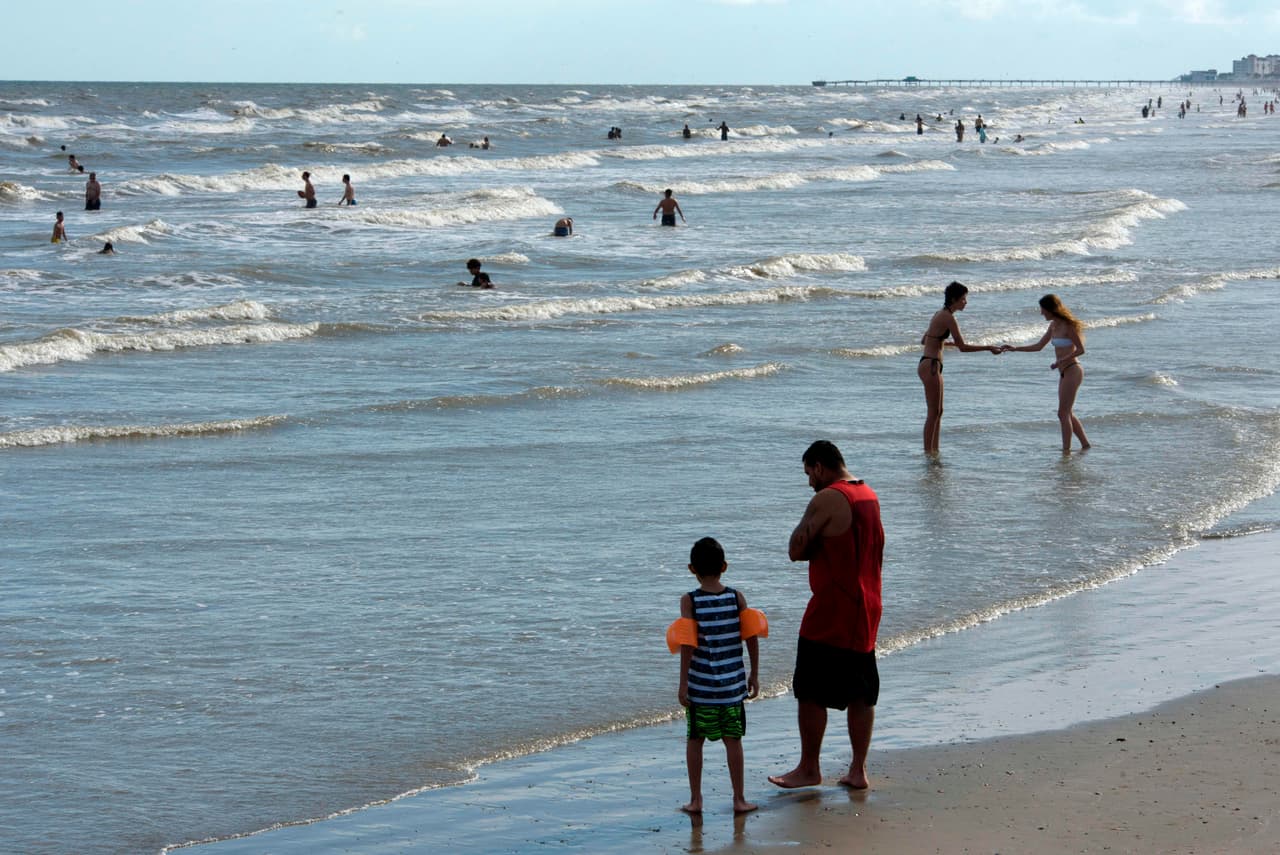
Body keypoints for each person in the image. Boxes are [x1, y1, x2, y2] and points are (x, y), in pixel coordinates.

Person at [768, 440, 884, 791]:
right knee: (861, 693)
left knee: (809, 690)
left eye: (809, 473)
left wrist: (810, 537)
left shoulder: (829, 497)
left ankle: (809, 767)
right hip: (867, 605)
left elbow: (795, 549)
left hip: (833, 608)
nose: (809, 483)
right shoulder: (869, 494)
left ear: (819, 466)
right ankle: (857, 770)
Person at [674, 537, 760, 815]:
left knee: (695, 740)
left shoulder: (690, 601)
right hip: (733, 687)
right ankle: (739, 799)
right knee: (733, 741)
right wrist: (754, 674)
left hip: (701, 687)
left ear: (691, 568)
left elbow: (687, 644)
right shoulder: (736, 597)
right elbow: (751, 637)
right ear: (724, 566)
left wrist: (683, 683)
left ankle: (696, 799)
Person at [917, 281, 1003, 454]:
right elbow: (963, 347)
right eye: (963, 299)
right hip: (932, 365)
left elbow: (925, 340)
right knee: (934, 412)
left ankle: (934, 451)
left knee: (938, 412)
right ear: (954, 299)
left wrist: (942, 342)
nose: (966, 302)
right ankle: (929, 453)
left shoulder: (939, 314)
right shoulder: (949, 317)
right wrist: (988, 347)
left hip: (928, 363)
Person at [1004, 294, 1092, 453]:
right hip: (1063, 371)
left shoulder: (1068, 326)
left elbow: (1081, 350)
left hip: (1073, 370)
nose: (1041, 313)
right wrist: (1015, 348)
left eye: (1043, 310)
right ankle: (1085, 444)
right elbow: (1038, 346)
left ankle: (1066, 451)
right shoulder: (1053, 326)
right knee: (1067, 413)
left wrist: (1061, 360)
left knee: (1062, 413)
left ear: (1051, 309)